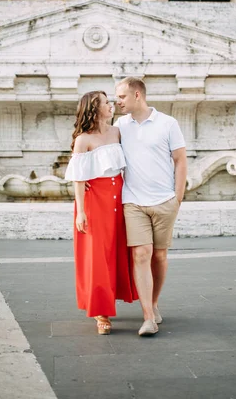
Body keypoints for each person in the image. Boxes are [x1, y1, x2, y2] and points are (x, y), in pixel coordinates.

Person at [115, 77, 187, 336]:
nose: (118, 101)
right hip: (133, 201)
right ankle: (147, 317)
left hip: (164, 201)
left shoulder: (168, 123)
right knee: (141, 254)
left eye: (122, 96)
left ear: (137, 95)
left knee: (159, 256)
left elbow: (180, 161)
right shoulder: (120, 125)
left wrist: (177, 198)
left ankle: (154, 302)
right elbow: (102, 150)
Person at [65, 90, 137, 335]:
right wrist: (81, 212)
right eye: (107, 102)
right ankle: (100, 313)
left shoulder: (117, 131)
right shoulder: (83, 139)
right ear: (94, 109)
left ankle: (113, 298)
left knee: (116, 250)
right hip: (95, 199)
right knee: (97, 255)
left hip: (119, 196)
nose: (112, 104)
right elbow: (78, 178)